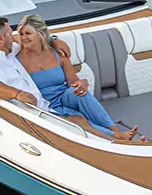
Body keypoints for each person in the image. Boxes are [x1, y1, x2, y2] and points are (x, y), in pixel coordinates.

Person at [15, 14, 144, 142]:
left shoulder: (58, 53)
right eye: (21, 34)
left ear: (40, 34)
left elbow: (72, 81)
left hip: (64, 96)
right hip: (46, 104)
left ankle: (116, 133)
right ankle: (117, 138)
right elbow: (1, 39)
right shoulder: (16, 58)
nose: (23, 38)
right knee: (79, 121)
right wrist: (54, 39)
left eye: (28, 33)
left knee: (79, 92)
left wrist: (81, 83)